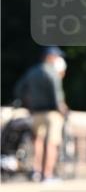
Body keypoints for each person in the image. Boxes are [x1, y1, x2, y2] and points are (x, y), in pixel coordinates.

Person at [15, 46, 68, 183]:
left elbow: (19, 89)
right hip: (52, 113)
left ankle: (36, 171)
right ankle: (47, 175)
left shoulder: (32, 71)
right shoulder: (53, 73)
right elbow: (58, 96)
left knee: (37, 142)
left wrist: (28, 103)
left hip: (35, 112)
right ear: (50, 57)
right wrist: (63, 110)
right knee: (52, 143)